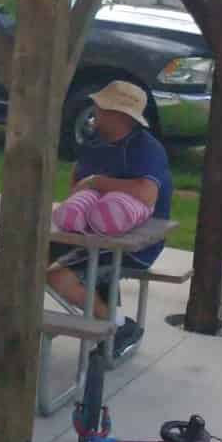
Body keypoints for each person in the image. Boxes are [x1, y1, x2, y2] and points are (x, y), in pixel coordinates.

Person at [45, 80, 173, 360]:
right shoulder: (93, 140)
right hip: (90, 235)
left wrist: (98, 182)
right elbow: (77, 180)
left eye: (102, 107)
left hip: (134, 244)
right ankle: (106, 316)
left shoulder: (145, 149)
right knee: (28, 256)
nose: (95, 111)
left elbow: (146, 193)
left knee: (57, 275)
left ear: (121, 116)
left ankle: (117, 327)